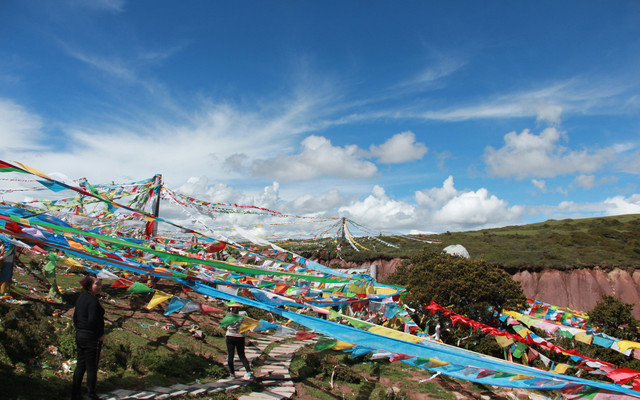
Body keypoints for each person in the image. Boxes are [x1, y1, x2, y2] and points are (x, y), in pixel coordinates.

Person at [72, 275, 105, 400]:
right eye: (97, 284)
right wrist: (99, 335)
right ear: (89, 285)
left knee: (80, 365)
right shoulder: (92, 301)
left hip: (80, 333)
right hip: (91, 336)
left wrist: (80, 329)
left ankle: (75, 394)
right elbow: (92, 320)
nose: (99, 286)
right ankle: (91, 394)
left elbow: (75, 317)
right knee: (91, 366)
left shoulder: (81, 298)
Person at [225, 302, 254, 380]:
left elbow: (225, 325)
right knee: (242, 355)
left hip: (230, 336)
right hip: (240, 337)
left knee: (230, 355)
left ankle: (232, 374)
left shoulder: (228, 315)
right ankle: (248, 371)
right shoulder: (243, 314)